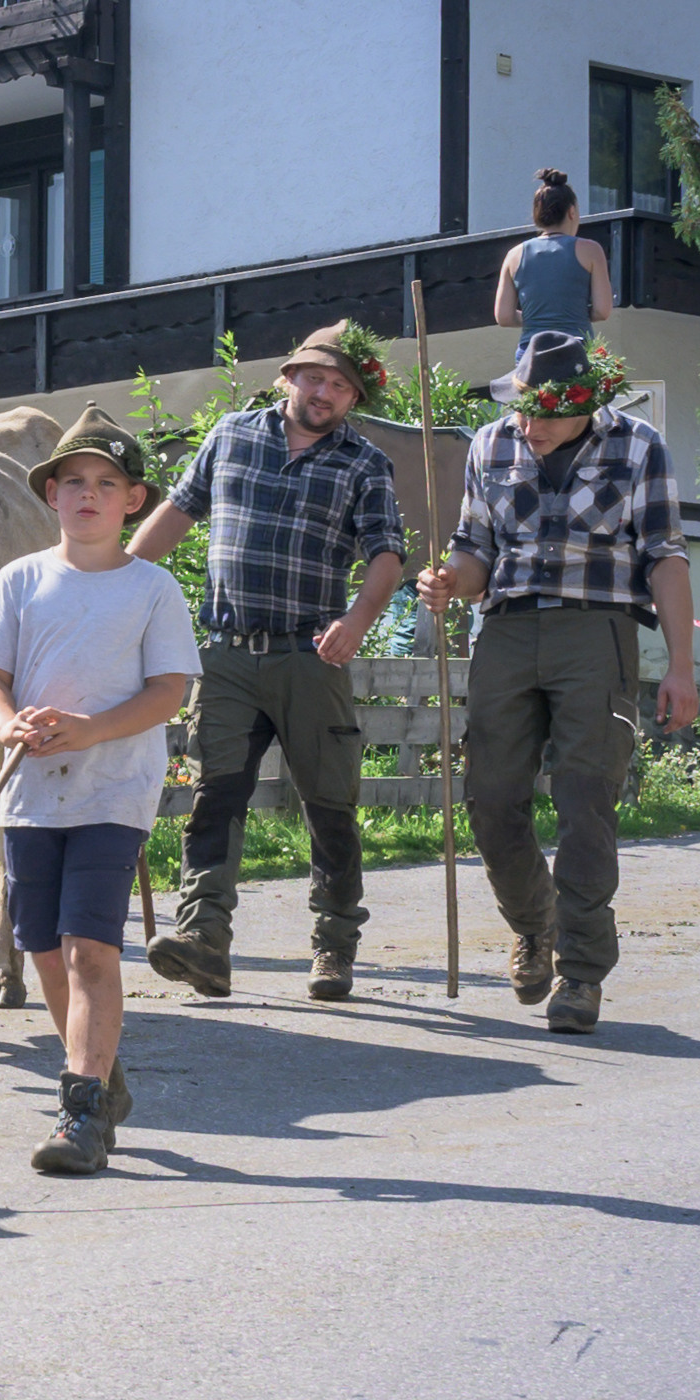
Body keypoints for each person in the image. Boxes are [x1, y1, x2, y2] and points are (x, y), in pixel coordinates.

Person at [417, 331, 699, 1032]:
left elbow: (666, 556)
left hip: (596, 632)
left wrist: (682, 666)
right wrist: (451, 580)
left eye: (545, 413)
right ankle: (533, 923)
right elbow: (475, 549)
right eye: (522, 408)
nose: (528, 425)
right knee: (490, 799)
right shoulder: (491, 445)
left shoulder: (639, 445)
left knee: (585, 800)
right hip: (506, 630)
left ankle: (581, 972)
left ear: (585, 404)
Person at [127, 321, 409, 1002]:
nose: (325, 392)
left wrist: (357, 621)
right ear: (289, 377)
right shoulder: (230, 435)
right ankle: (204, 939)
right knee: (214, 798)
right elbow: (175, 514)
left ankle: (334, 944)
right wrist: (114, 587)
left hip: (311, 656)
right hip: (227, 654)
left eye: (340, 385)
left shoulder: (365, 463)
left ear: (354, 397)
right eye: (315, 378)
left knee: (329, 805)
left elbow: (387, 555)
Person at [0, 407, 198, 1174]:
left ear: (134, 500)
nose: (88, 494)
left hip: (114, 789)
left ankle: (81, 1113)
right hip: (31, 791)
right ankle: (100, 1072)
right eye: (73, 482)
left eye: (106, 482)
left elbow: (168, 692)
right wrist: (3, 723)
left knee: (89, 947)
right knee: (42, 949)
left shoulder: (152, 589)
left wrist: (92, 729)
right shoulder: (19, 580)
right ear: (51, 495)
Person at [495, 169, 614, 350]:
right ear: (571, 212)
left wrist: (538, 318)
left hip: (531, 352)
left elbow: (504, 317)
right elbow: (602, 311)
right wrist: (570, 315)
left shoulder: (514, 255)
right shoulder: (591, 250)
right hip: (575, 349)